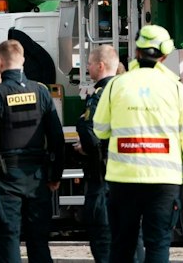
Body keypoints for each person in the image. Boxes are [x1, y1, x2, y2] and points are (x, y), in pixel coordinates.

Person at [93, 25, 183, 263]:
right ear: (165, 55)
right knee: (158, 243)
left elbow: (100, 130)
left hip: (123, 180)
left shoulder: (116, 85)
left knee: (122, 245)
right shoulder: (176, 89)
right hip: (164, 182)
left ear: (137, 50)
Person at [0, 39, 64, 263]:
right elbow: (56, 138)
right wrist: (55, 175)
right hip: (37, 178)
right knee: (38, 241)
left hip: (5, 180)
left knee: (8, 239)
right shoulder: (40, 92)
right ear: (24, 61)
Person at [77, 45, 120, 263]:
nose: (87, 67)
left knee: (102, 240)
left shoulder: (101, 93)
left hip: (101, 176)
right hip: (125, 176)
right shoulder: (124, 90)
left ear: (101, 66)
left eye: (90, 64)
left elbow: (89, 129)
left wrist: (87, 147)